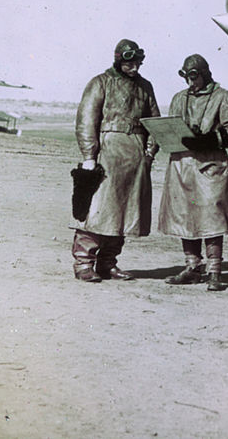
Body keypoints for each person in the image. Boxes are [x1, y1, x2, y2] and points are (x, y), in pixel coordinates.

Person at [72, 39, 160, 282]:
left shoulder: (145, 87)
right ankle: (83, 264)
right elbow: (86, 121)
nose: (135, 67)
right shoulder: (100, 83)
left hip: (135, 157)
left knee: (124, 213)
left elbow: (155, 122)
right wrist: (89, 157)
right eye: (130, 62)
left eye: (138, 63)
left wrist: (149, 154)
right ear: (120, 59)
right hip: (107, 154)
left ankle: (108, 263)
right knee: (97, 210)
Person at [160, 54, 228, 292]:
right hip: (181, 165)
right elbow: (170, 127)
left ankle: (215, 270)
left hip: (210, 167)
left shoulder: (223, 97)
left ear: (205, 73)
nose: (190, 81)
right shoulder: (179, 99)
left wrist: (208, 140)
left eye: (194, 76)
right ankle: (192, 267)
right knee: (184, 216)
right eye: (186, 76)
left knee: (212, 217)